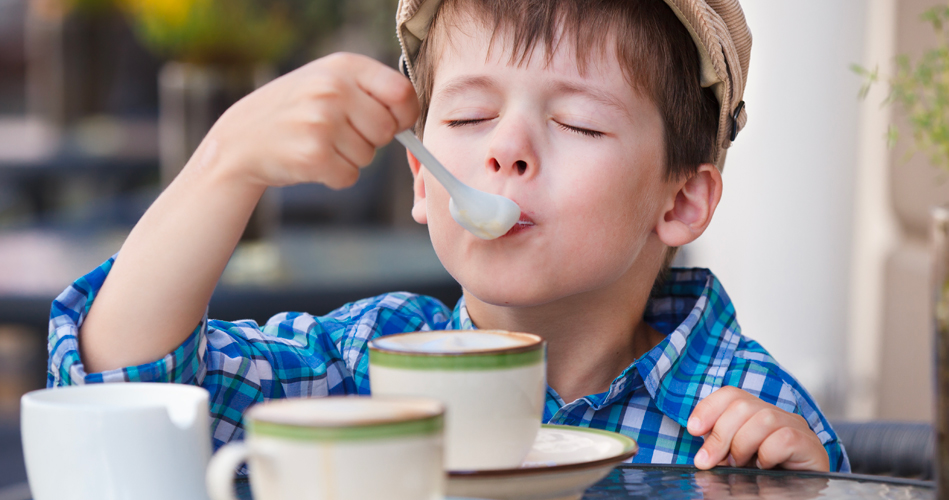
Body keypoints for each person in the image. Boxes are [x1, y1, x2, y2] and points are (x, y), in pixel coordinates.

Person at [47, 0, 849, 472]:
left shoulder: (746, 421)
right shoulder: (358, 364)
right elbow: (122, 389)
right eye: (467, 117)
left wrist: (807, 484)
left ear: (678, 202)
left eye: (575, 122)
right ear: (424, 182)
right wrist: (225, 164)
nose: (506, 148)